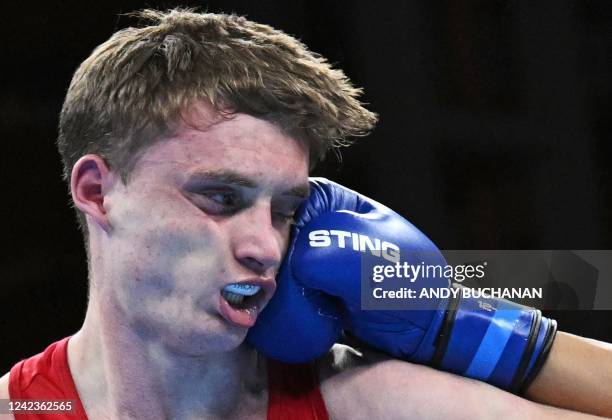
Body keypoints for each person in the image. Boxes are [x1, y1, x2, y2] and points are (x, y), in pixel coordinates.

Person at [0, 9, 610, 419]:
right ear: (97, 191)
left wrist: (459, 324)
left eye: (287, 209)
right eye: (222, 198)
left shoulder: (360, 400)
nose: (265, 246)